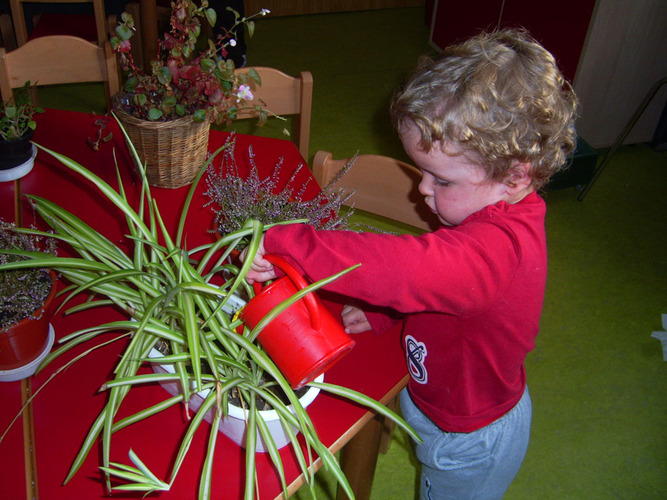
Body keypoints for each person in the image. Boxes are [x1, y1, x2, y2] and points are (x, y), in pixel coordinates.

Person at [241, 28, 578, 499]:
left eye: (441, 180)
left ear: (517, 174)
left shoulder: (499, 249)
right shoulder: (489, 205)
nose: (422, 189)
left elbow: (404, 269)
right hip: (436, 396)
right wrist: (385, 313)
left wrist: (289, 245)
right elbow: (436, 286)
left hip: (469, 439)